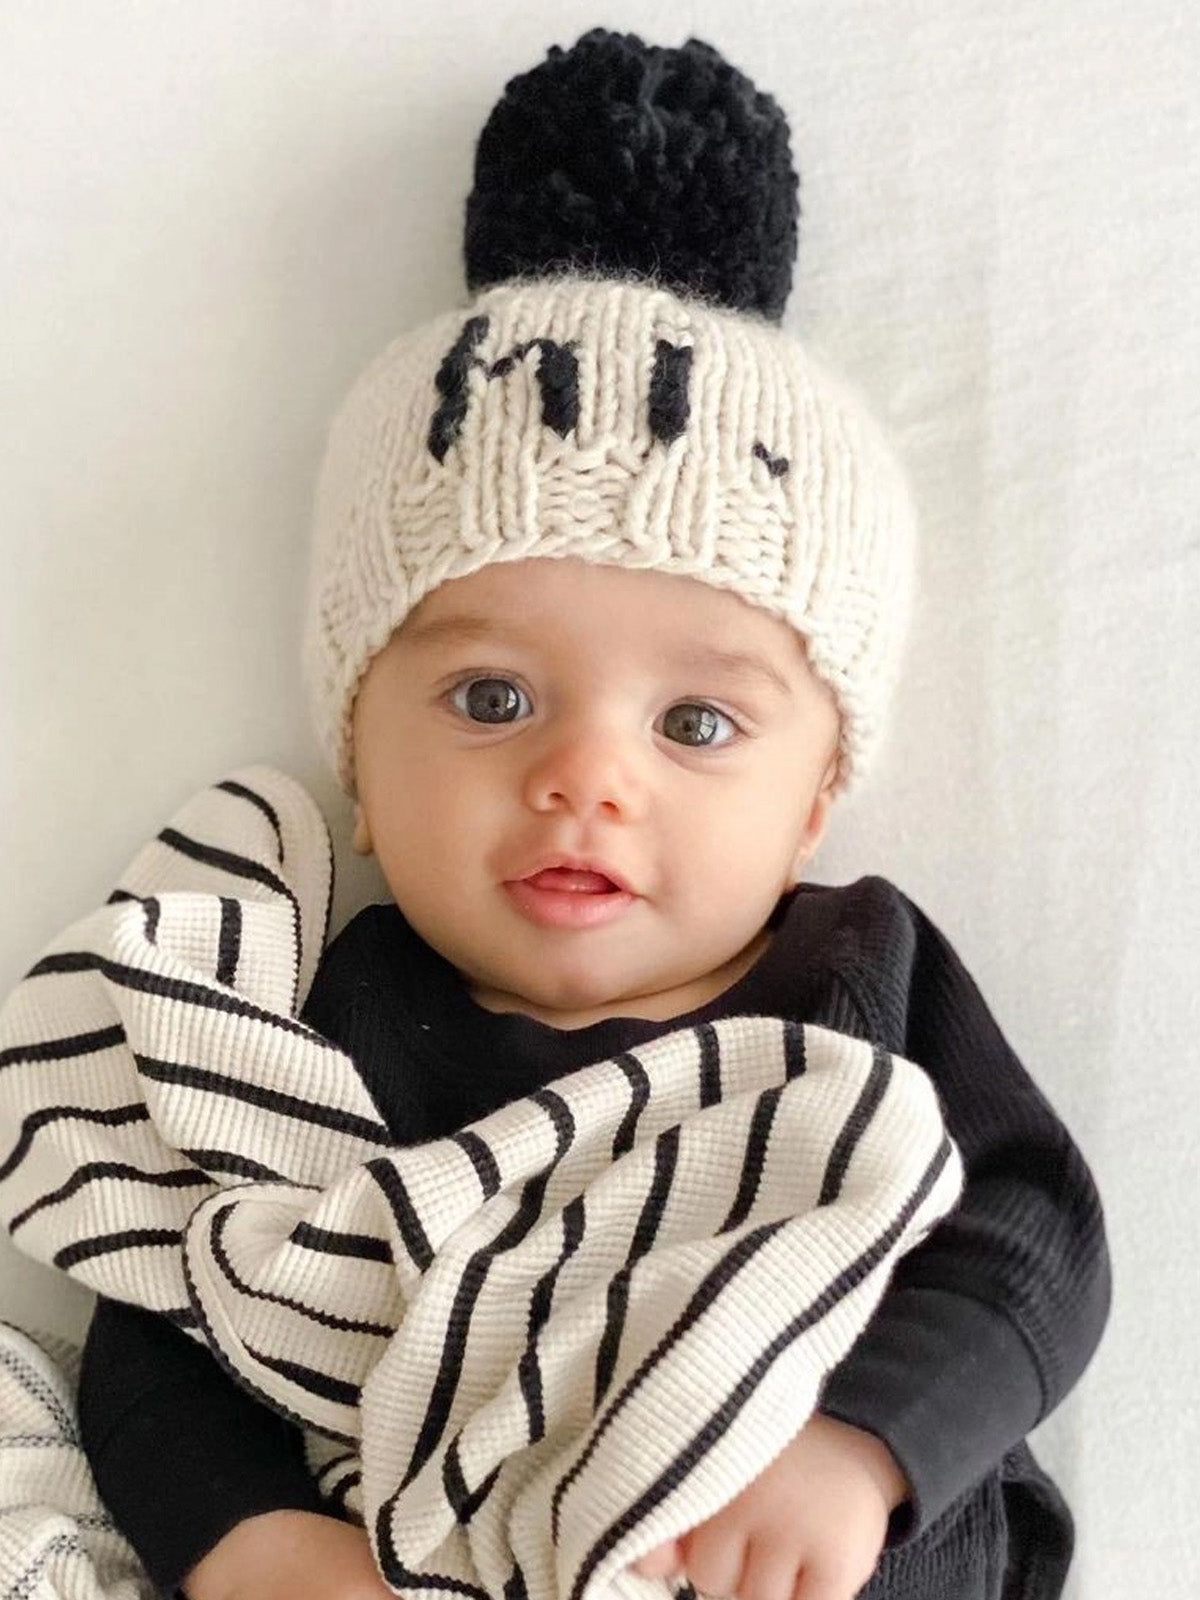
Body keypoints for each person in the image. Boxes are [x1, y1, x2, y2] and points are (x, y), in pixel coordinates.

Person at [74, 26, 1109, 1600]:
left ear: (818, 790)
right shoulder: (323, 1019)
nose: (586, 778)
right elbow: (167, 1322)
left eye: (698, 724)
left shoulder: (859, 981)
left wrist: (864, 1448)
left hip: (789, 1537)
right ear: (358, 744)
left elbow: (1032, 1238)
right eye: (492, 700)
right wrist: (259, 1546)